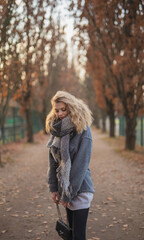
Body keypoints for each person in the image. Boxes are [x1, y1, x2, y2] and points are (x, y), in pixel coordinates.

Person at [46, 91, 95, 240]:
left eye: (63, 109)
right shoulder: (57, 130)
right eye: (57, 110)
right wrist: (54, 188)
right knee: (70, 235)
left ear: (72, 108)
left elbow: (80, 166)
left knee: (78, 236)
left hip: (79, 190)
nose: (60, 113)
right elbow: (53, 162)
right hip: (65, 190)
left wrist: (68, 194)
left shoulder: (84, 131)